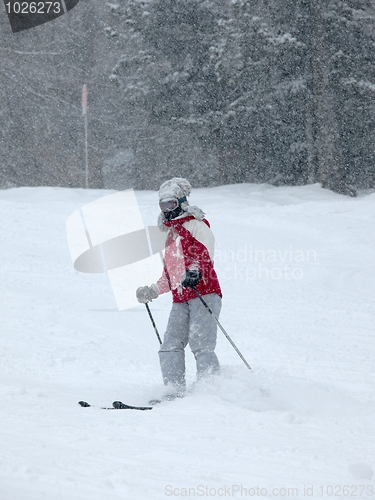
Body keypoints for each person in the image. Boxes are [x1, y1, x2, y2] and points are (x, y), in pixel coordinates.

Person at [136, 177, 222, 398]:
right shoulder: (172, 235)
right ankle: (173, 389)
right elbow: (170, 274)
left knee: (201, 343)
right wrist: (153, 290)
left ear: (182, 203)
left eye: (171, 205)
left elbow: (205, 253)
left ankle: (210, 389)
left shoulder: (196, 225)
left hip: (204, 292)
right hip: (181, 298)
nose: (166, 210)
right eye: (162, 206)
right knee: (171, 344)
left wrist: (194, 271)